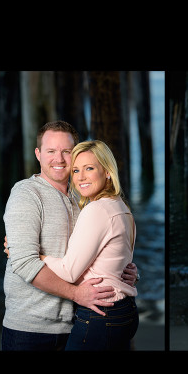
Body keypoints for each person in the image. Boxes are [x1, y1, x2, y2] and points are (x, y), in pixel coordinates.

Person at [2, 121, 137, 351]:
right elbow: (24, 262)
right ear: (38, 154)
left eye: (66, 152)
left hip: (75, 321)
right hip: (31, 329)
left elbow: (102, 249)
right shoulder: (26, 194)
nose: (59, 159)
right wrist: (76, 293)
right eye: (51, 151)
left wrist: (123, 270)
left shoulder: (83, 198)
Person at [41, 140, 139, 350]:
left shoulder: (96, 210)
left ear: (107, 172)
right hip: (125, 311)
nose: (80, 177)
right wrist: (134, 274)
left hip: (101, 315)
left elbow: (69, 272)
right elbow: (119, 258)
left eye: (89, 168)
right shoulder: (122, 208)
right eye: (76, 170)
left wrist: (39, 256)